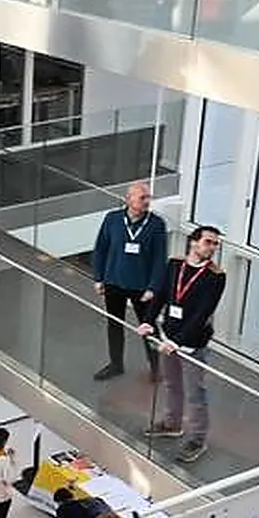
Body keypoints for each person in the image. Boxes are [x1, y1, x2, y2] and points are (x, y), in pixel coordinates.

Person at [138, 225, 226, 463]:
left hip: (192, 344)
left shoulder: (215, 277)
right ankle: (172, 424)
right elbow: (161, 296)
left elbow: (202, 314)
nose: (213, 247)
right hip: (169, 336)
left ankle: (198, 438)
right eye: (209, 242)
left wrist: (177, 342)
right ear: (193, 242)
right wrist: (148, 322)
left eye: (216, 244)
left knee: (196, 393)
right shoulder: (175, 264)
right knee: (172, 384)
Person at [91, 182, 168, 381]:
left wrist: (153, 287)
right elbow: (100, 249)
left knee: (148, 328)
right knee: (114, 325)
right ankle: (116, 364)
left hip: (142, 288)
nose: (147, 201)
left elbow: (160, 259)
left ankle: (155, 367)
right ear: (129, 199)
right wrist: (98, 278)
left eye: (148, 197)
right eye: (142, 197)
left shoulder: (156, 224)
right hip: (114, 283)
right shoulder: (113, 219)